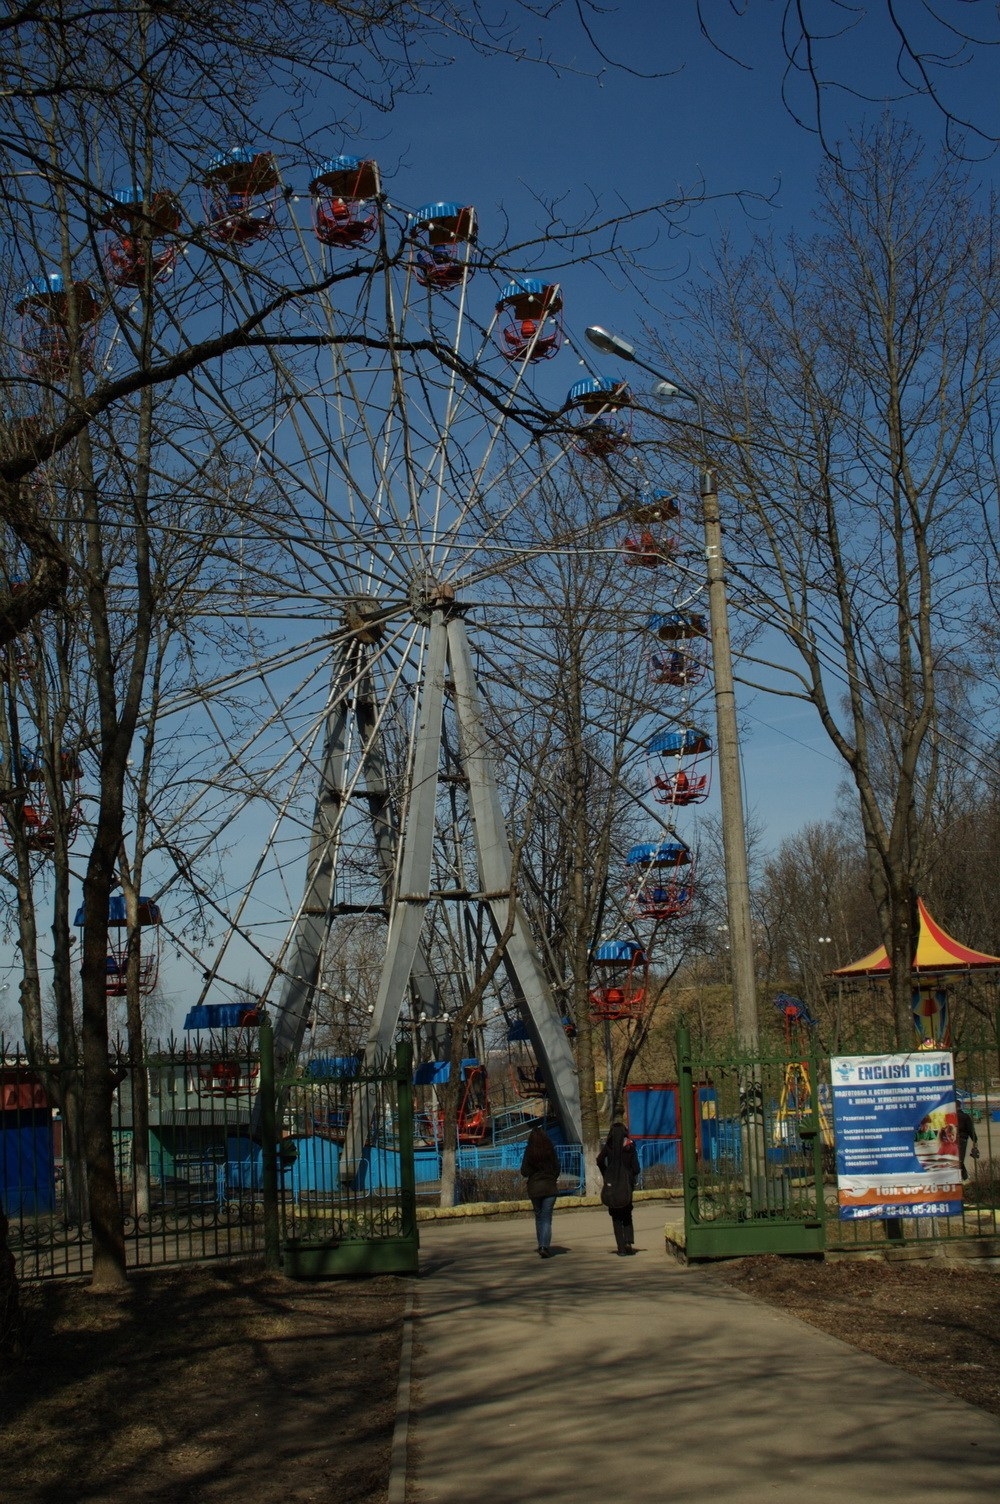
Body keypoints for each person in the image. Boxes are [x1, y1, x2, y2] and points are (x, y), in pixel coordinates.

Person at [597, 1119, 640, 1256]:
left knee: (616, 1217)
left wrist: (607, 1173)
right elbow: (636, 1168)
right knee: (627, 1213)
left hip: (612, 1185)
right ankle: (628, 1241)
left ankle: (621, 1248)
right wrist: (630, 1175)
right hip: (626, 1184)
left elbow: (599, 1160)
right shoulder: (629, 1146)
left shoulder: (609, 1146)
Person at [520, 1124, 560, 1258]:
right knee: (547, 1218)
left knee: (539, 1217)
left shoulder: (529, 1151)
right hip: (549, 1187)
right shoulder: (550, 1150)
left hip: (535, 1188)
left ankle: (541, 1245)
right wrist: (551, 1177)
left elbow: (524, 1171)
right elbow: (557, 1169)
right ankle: (544, 1246)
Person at [957, 1097, 980, 1181]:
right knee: (960, 1159)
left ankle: (964, 1176)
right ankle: (965, 1177)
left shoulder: (950, 1116)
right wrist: (975, 1140)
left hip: (952, 1140)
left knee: (957, 1159)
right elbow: (970, 1129)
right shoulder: (965, 1116)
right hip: (962, 1139)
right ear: (960, 1106)